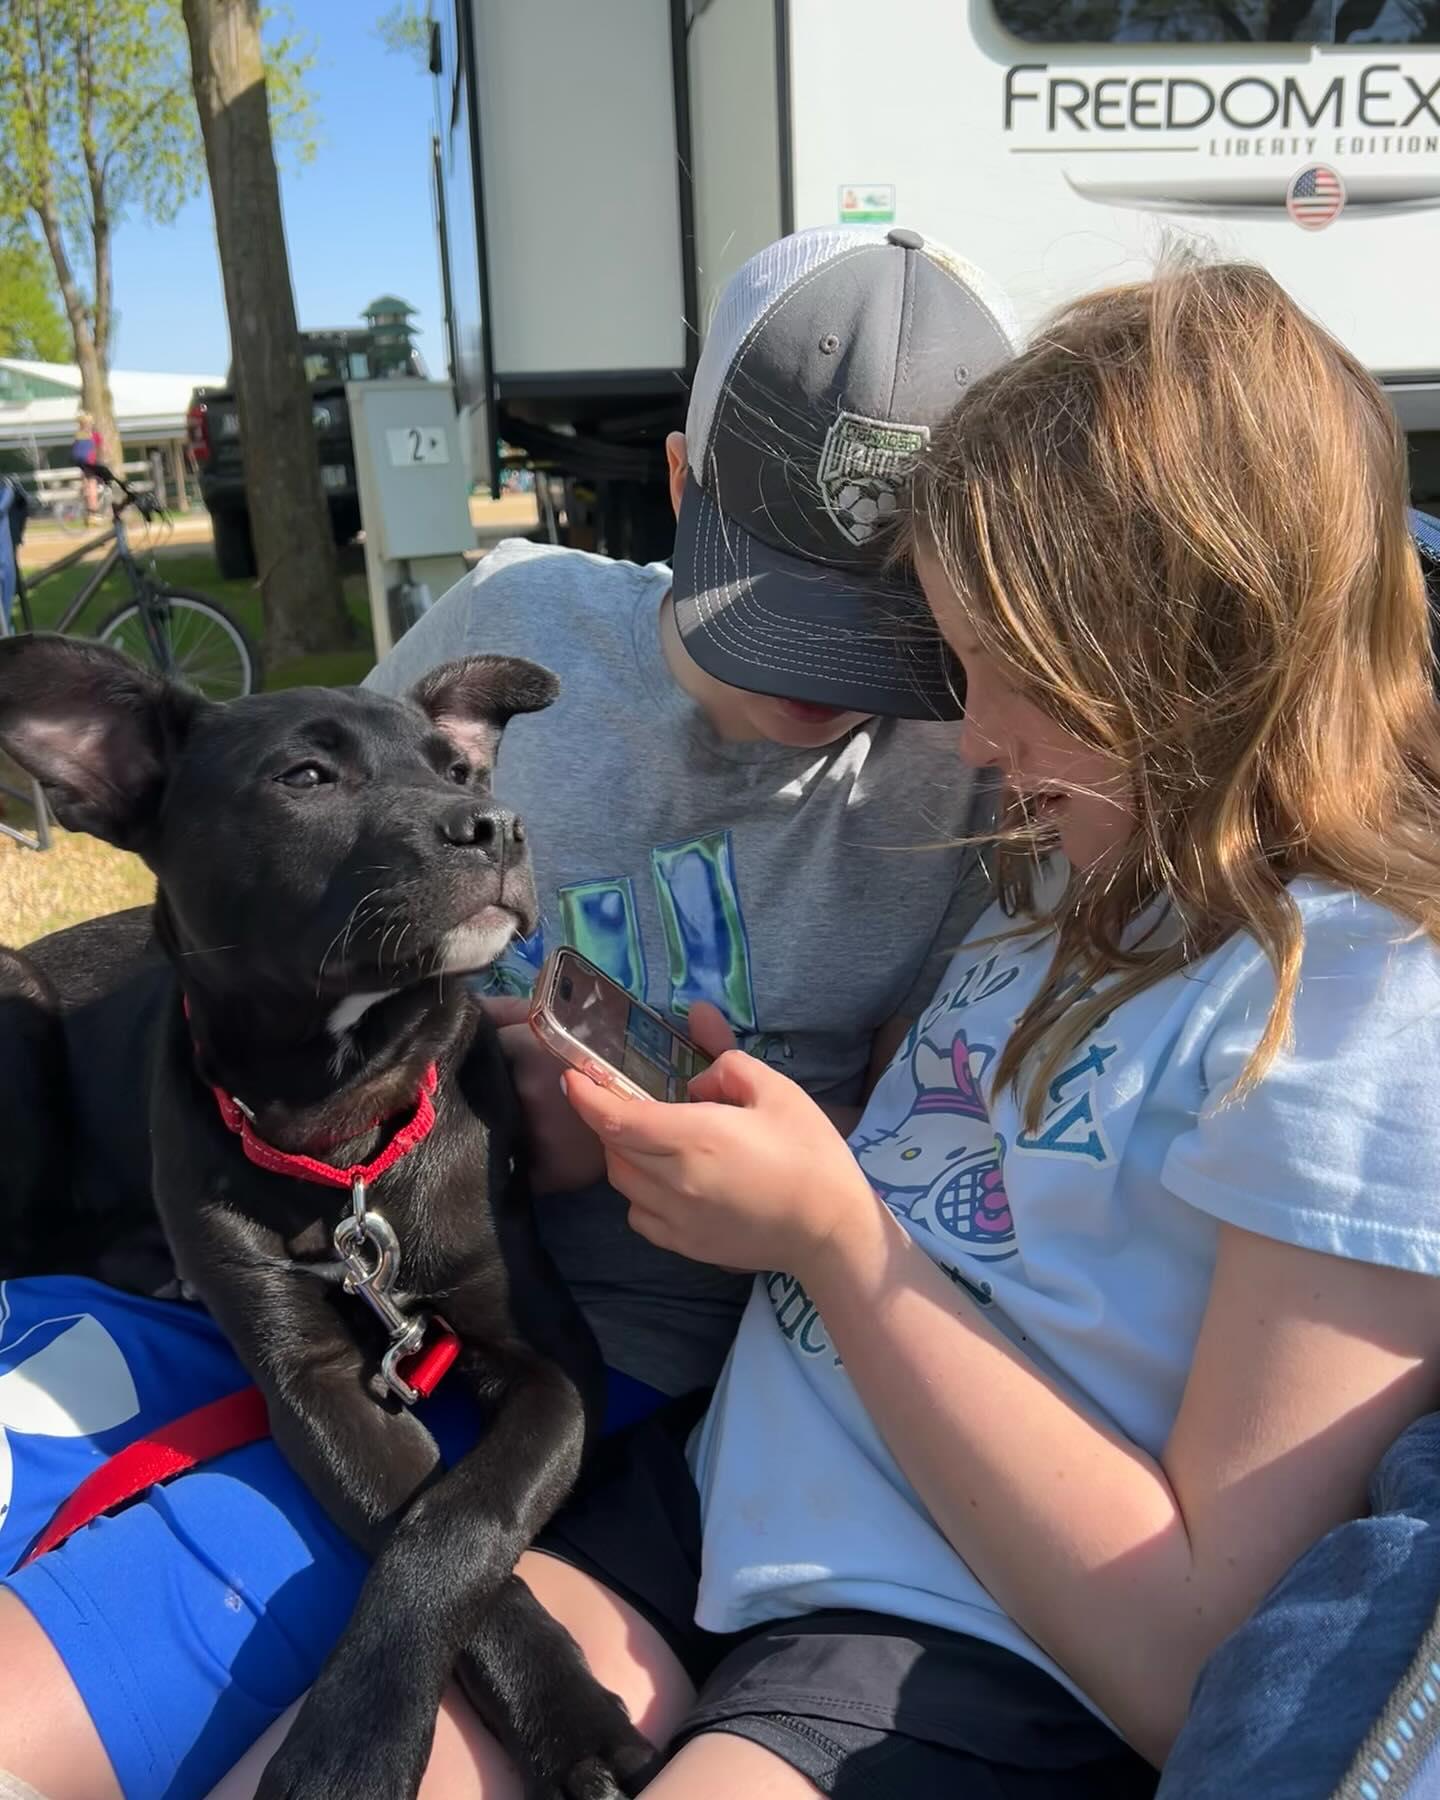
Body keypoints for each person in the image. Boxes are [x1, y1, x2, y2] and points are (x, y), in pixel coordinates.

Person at [215, 259, 1440, 1798]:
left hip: (953, 1630)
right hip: (714, 1497)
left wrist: (836, 1245)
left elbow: (1203, 1671)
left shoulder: (1362, 1012)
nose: (965, 738)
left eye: (1005, 679)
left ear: (1199, 658)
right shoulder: (1077, 865)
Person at [0, 225, 1016, 1800]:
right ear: (679, 481)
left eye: (883, 623)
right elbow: (286, 847)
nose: (828, 683)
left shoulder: (971, 771)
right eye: (778, 603)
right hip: (304, 1251)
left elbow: (939, 1151)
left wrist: (788, 1197)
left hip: (636, 1387)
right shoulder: (526, 615)